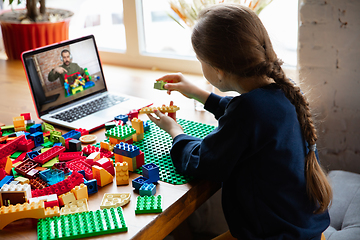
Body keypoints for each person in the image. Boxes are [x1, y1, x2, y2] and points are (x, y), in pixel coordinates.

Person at [147, 4, 332, 240]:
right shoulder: (283, 93)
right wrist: (198, 93)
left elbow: (201, 162)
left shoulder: (248, 111)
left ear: (218, 70)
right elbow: (247, 117)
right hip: (306, 232)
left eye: (199, 60)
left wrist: (176, 131)